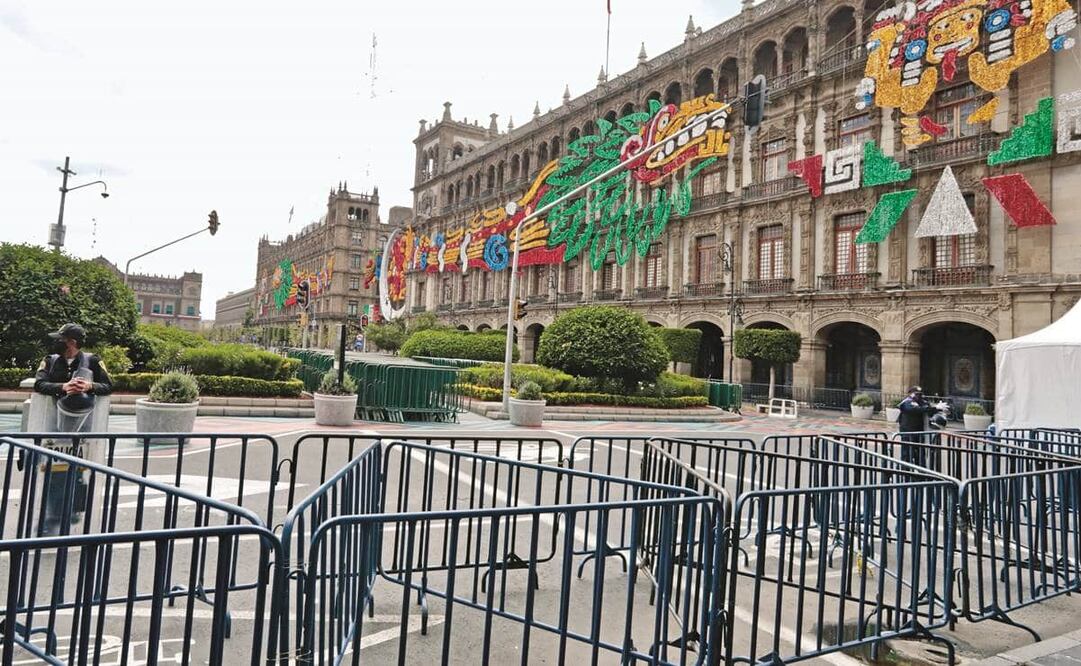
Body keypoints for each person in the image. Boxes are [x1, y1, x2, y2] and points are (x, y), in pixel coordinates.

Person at [33, 323, 113, 535]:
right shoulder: (50, 361)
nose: (57, 342)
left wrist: (89, 386)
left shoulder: (92, 361)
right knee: (53, 468)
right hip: (53, 424)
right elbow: (39, 384)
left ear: (72, 342)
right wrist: (63, 387)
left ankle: (74, 511)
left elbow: (108, 386)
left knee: (77, 469)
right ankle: (52, 514)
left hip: (83, 426)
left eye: (61, 338)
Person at [896, 386, 947, 466]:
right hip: (908, 434)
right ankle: (906, 476)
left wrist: (938, 408)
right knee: (907, 457)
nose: (918, 396)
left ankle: (920, 476)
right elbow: (915, 409)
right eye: (916, 394)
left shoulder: (922, 402)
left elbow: (928, 409)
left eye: (920, 394)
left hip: (919, 434)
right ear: (911, 394)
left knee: (920, 457)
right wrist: (934, 407)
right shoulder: (907, 402)